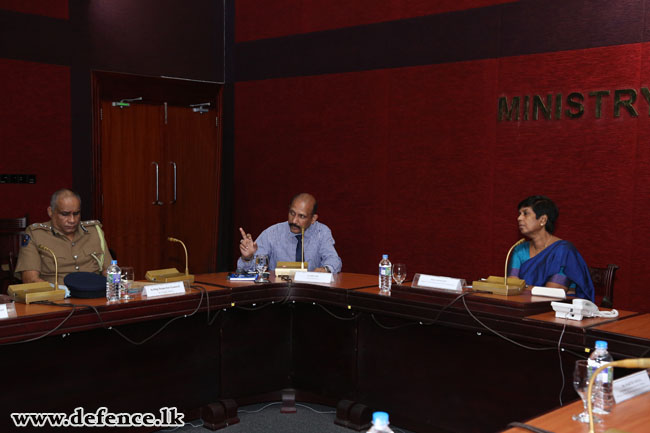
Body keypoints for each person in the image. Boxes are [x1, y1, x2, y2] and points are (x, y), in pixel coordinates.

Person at [15, 189, 113, 289]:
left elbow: (110, 272)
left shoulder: (94, 232)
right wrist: (60, 292)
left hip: (95, 295)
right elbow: (30, 280)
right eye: (65, 214)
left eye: (76, 213)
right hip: (56, 299)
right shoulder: (35, 234)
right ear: (51, 212)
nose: (72, 220)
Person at [508, 195, 594, 301]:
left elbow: (552, 293)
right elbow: (511, 287)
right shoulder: (519, 250)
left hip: (559, 311)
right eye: (519, 214)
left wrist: (522, 287)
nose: (519, 218)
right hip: (523, 306)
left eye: (525, 213)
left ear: (543, 220)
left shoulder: (563, 251)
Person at [237, 193, 342, 273]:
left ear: (313, 218)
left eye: (302, 216)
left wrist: (326, 269)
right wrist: (247, 258)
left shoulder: (321, 232)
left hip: (311, 294)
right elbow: (251, 270)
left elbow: (333, 259)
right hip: (277, 295)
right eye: (292, 213)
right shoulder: (272, 233)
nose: (294, 221)